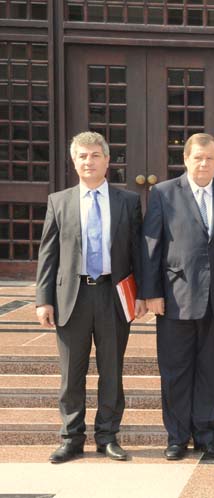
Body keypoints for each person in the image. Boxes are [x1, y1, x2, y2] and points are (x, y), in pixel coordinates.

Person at [35, 131, 146, 463]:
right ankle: (71, 437)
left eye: (96, 155)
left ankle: (107, 436)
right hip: (72, 296)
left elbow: (138, 252)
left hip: (113, 294)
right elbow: (48, 255)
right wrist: (43, 299)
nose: (89, 161)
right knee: (72, 373)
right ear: (74, 161)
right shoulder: (59, 201)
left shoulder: (127, 201)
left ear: (107, 160)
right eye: (82, 156)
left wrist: (142, 294)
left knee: (112, 370)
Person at [141, 133, 214, 461]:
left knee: (212, 371)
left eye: (210, 158)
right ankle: (177, 436)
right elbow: (151, 245)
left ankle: (206, 433)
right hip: (176, 297)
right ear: (186, 159)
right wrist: (152, 293)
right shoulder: (163, 193)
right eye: (197, 158)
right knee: (175, 371)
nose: (203, 164)